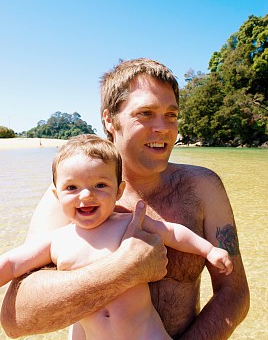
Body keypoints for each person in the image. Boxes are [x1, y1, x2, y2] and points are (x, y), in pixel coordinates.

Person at [1, 58, 249, 340]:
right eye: (145, 113)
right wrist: (125, 269)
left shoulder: (203, 186)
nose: (164, 128)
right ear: (109, 119)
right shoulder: (70, 198)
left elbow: (234, 293)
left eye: (171, 115)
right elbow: (15, 320)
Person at [0, 134, 233, 340]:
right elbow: (12, 263)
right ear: (56, 194)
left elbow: (172, 232)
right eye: (71, 188)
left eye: (100, 185)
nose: (86, 195)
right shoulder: (56, 240)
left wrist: (209, 250)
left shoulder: (128, 223)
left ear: (118, 191)